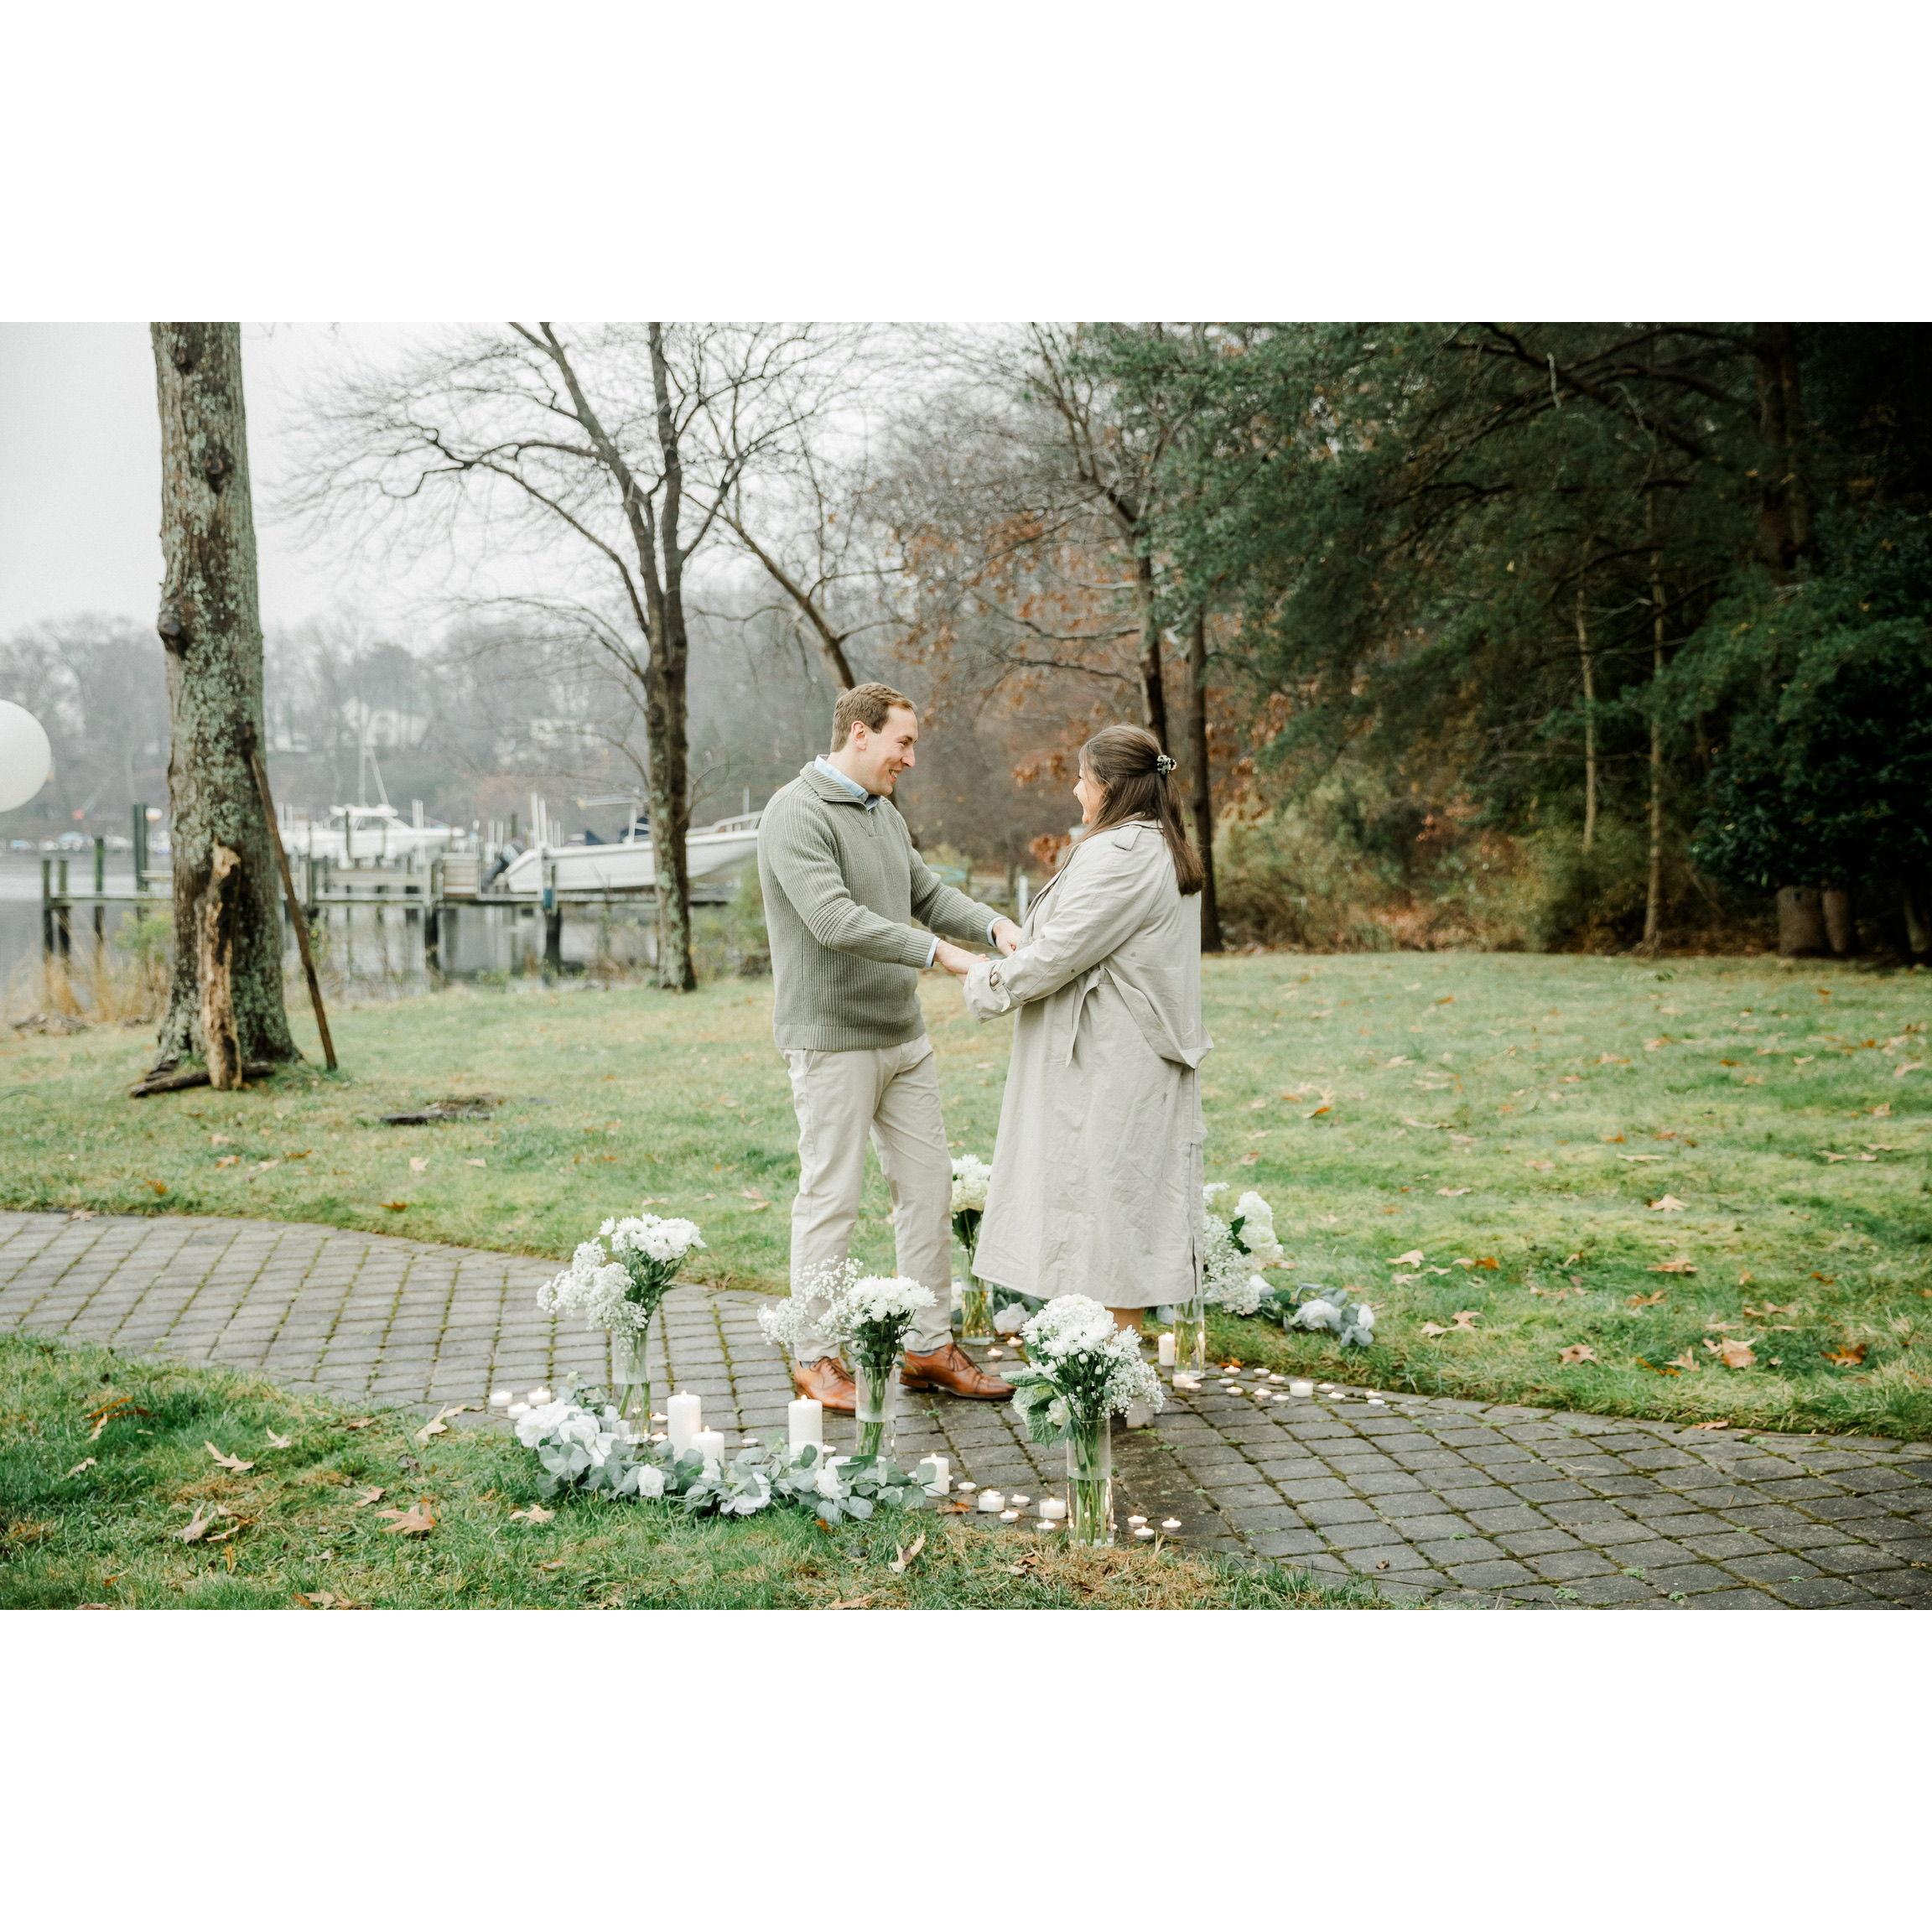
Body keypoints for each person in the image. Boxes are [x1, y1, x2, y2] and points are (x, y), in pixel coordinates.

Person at [757, 682, 1018, 1411]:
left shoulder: (884, 814)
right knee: (831, 1200)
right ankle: (814, 1355)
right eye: (903, 742)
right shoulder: (795, 812)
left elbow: (926, 894)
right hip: (831, 1042)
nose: (910, 758)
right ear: (860, 734)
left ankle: (929, 1348)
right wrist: (941, 954)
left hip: (903, 1038)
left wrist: (993, 926)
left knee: (928, 1191)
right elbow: (834, 920)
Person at [961, 723, 1212, 1341]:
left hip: (1110, 1058)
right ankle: (1101, 1366)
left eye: (1083, 779)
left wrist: (985, 981)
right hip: (1113, 1053)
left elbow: (1060, 953)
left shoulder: (1122, 854)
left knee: (1108, 1211)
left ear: (1110, 787)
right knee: (1107, 1207)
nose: (1076, 790)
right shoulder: (1153, 845)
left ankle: (1106, 1371)